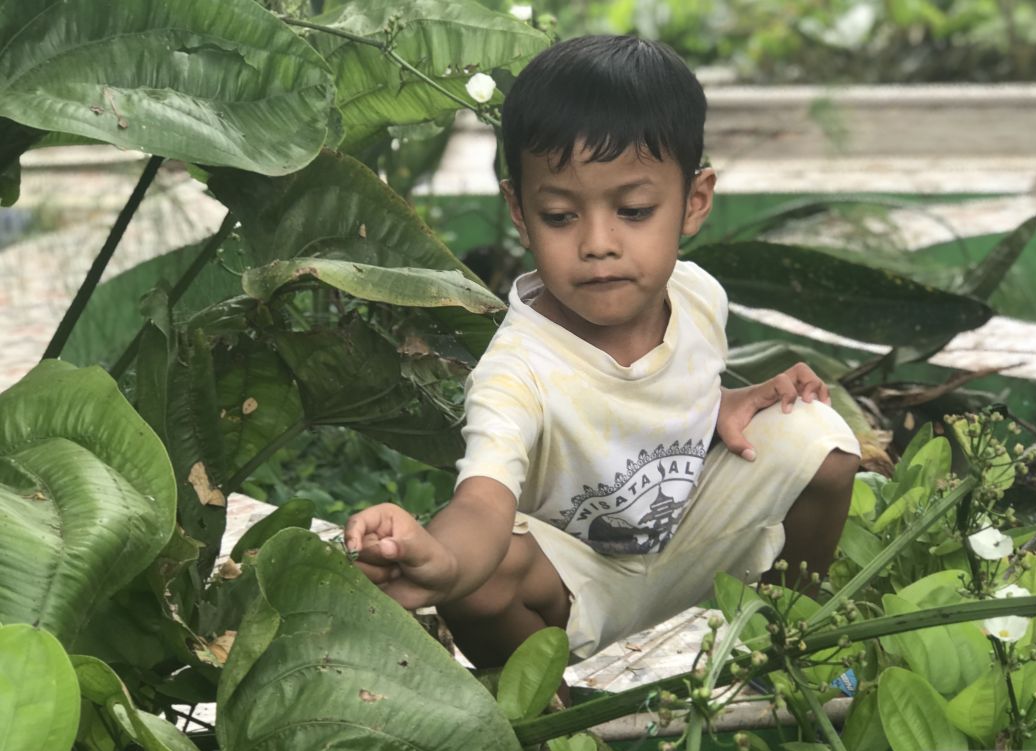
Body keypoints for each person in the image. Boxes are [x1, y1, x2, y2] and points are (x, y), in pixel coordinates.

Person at [344, 34, 861, 669]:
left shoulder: (699, 296)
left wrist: (717, 404)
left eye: (634, 210)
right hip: (573, 583)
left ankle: (784, 651)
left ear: (694, 202)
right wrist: (443, 562)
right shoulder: (517, 369)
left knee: (824, 446)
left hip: (692, 541)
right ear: (519, 210)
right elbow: (482, 501)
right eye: (561, 216)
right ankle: (541, 713)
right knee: (484, 582)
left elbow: (661, 387)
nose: (598, 243)